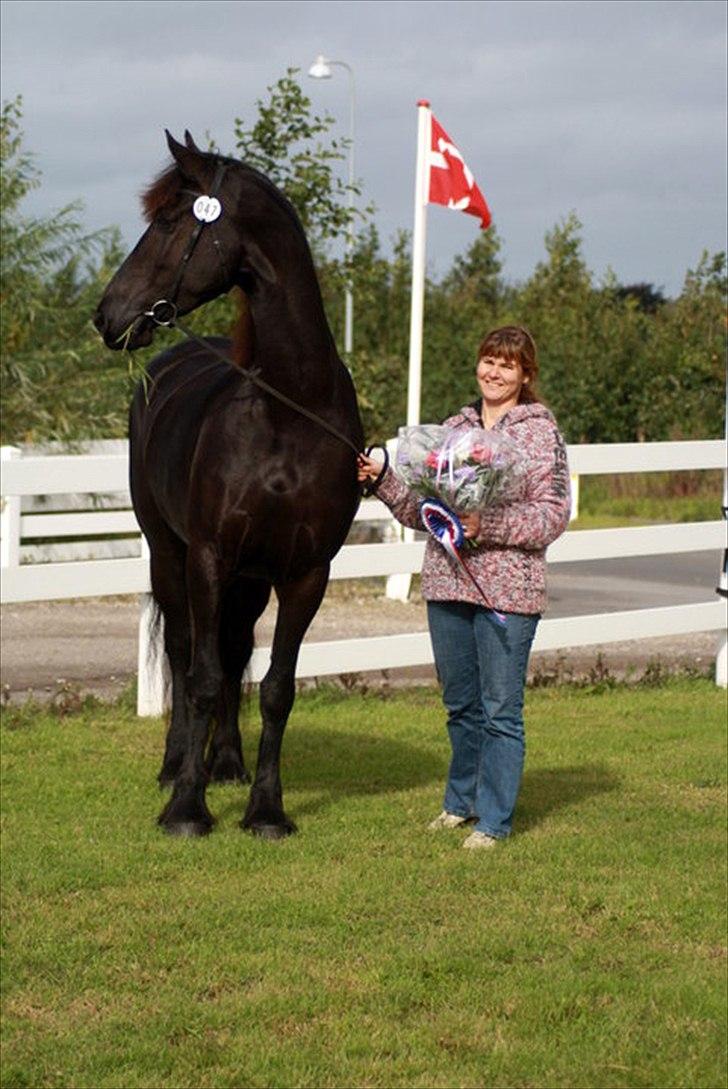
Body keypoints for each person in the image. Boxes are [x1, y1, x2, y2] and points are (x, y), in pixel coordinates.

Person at [357, 326, 571, 850]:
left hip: (507, 594)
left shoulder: (540, 434)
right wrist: (382, 479)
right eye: (488, 361)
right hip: (448, 584)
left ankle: (494, 820)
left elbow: (553, 515)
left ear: (525, 375)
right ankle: (461, 802)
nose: (494, 373)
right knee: (461, 706)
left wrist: (488, 526)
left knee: (501, 710)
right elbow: (421, 512)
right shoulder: (452, 429)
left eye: (507, 365)